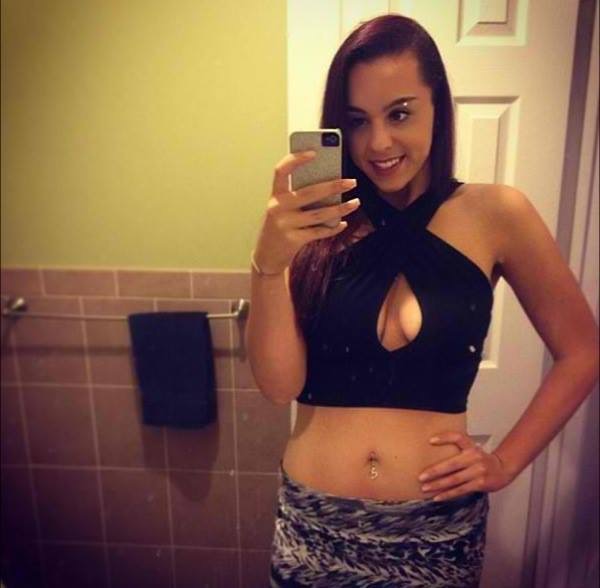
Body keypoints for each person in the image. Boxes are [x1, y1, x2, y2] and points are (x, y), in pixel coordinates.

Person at [245, 13, 599, 588]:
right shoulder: (315, 225)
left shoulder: (497, 214)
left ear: (438, 107)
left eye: (400, 113)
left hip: (436, 534)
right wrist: (267, 264)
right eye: (357, 121)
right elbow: (278, 385)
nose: (378, 143)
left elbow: (583, 351)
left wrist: (505, 461)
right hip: (315, 528)